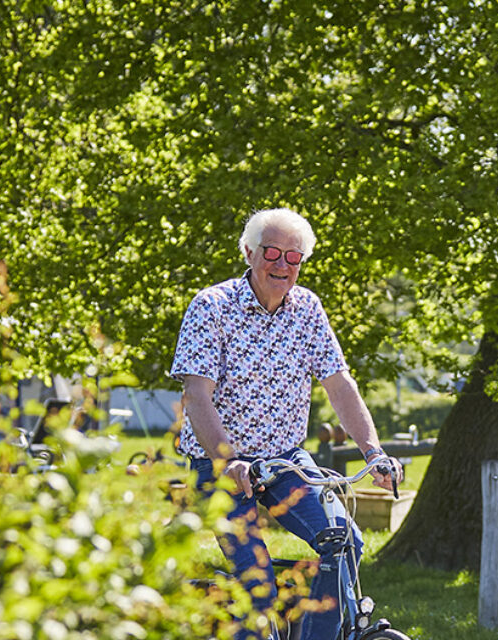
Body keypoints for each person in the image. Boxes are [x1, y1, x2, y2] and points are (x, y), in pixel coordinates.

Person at [171, 208, 403, 640]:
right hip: (221, 463)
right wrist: (230, 460)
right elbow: (197, 396)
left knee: (344, 544)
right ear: (248, 252)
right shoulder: (212, 306)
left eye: (293, 257)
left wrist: (374, 451)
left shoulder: (308, 308)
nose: (282, 265)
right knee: (255, 585)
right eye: (271, 253)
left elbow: (339, 384)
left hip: (286, 461)